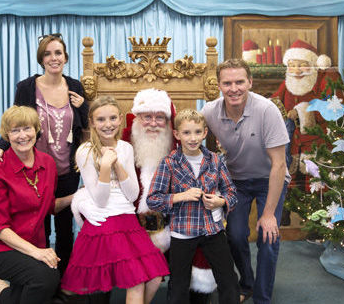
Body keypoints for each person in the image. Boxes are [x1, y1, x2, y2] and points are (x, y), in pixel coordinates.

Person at [0, 34, 89, 275]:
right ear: (41, 58)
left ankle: (63, 277)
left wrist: (83, 106)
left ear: (65, 57)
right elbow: (18, 120)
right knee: (37, 226)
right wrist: (0, 145)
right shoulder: (27, 87)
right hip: (36, 170)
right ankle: (39, 274)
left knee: (65, 228)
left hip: (66, 169)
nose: (53, 58)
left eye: (58, 53)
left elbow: (85, 125)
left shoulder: (74, 86)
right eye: (48, 53)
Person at [61, 96, 169, 304]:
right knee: (137, 281)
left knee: (155, 277)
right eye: (100, 120)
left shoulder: (126, 148)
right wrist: (104, 166)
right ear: (91, 122)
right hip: (104, 221)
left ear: (120, 119)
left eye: (112, 118)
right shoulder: (85, 151)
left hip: (127, 219)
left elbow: (132, 195)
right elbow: (100, 199)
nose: (107, 124)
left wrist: (117, 164)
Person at [201, 58, 290, 304]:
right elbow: (187, 131)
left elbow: (279, 164)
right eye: (227, 83)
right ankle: (247, 283)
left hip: (269, 179)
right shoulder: (210, 111)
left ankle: (262, 298)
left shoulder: (267, 110)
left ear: (250, 82)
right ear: (219, 85)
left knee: (267, 236)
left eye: (240, 82)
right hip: (236, 182)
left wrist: (269, 213)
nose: (234, 88)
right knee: (235, 236)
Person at [0, 106, 74, 304]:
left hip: (31, 242)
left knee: (40, 288)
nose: (22, 135)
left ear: (36, 130)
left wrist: (76, 197)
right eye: (15, 130)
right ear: (7, 136)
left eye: (27, 128)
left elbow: (49, 205)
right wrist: (37, 252)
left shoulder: (48, 163)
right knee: (46, 279)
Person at [122, 88, 217, 303]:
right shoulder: (126, 144)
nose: (153, 123)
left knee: (202, 242)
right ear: (138, 118)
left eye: (160, 118)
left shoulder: (181, 145)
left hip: (176, 221)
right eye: (147, 117)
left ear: (169, 123)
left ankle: (195, 294)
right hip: (135, 225)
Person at [147, 109, 240, 304]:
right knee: (179, 285)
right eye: (187, 133)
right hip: (182, 232)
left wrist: (221, 201)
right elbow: (153, 199)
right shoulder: (169, 164)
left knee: (229, 281)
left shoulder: (215, 160)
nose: (192, 138)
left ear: (205, 133)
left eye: (197, 132)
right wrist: (181, 196)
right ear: (177, 135)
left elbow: (231, 192)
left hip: (212, 230)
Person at [271, 39, 343, 194]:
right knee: (289, 190)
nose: (296, 71)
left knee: (316, 191)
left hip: (318, 143)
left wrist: (301, 111)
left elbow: (333, 108)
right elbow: (275, 99)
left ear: (312, 63)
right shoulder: (289, 82)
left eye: (301, 64)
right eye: (292, 65)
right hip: (293, 143)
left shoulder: (327, 77)